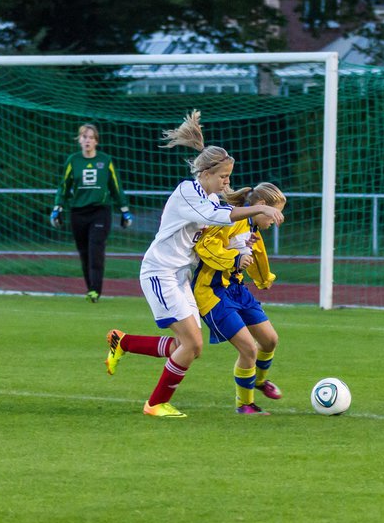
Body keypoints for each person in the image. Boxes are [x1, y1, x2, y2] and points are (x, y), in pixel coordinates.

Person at [101, 111, 285, 418]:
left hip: (180, 276)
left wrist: (241, 248)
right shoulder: (188, 191)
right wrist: (261, 205)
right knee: (190, 344)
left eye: (228, 177)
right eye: (224, 177)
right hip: (160, 272)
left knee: (189, 346)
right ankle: (155, 404)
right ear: (208, 173)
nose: (228, 182)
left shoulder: (210, 199)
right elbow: (217, 218)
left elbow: (220, 227)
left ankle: (124, 342)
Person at [191, 182, 287, 415]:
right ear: (262, 206)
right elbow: (205, 245)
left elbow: (256, 255)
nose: (276, 220)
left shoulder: (252, 228)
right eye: (276, 213)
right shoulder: (230, 220)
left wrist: (264, 279)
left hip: (236, 289)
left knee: (270, 340)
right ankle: (245, 405)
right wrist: (234, 259)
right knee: (248, 349)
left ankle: (259, 381)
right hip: (212, 291)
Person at [49, 123, 132, 302]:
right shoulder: (73, 160)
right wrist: (57, 208)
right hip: (78, 212)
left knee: (96, 250)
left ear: (96, 141)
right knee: (84, 253)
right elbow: (63, 187)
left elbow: (115, 186)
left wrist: (124, 210)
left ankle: (95, 290)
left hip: (100, 211)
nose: (88, 140)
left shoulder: (105, 160)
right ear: (79, 139)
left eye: (91, 137)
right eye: (84, 137)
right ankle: (90, 289)